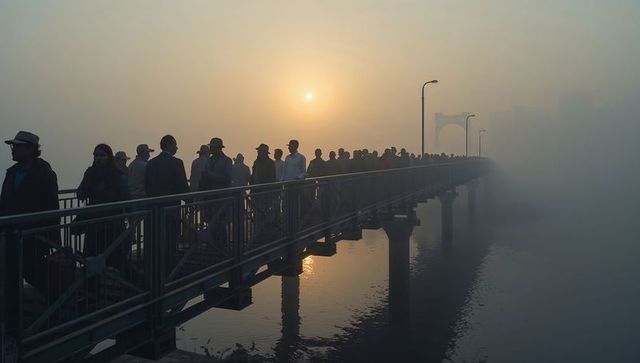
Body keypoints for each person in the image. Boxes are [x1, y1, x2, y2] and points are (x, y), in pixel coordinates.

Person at [1, 131, 59, 334]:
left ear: (31, 149)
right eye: (13, 146)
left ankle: (57, 311)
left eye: (17, 146)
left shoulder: (44, 174)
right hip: (10, 236)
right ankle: (13, 324)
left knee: (37, 276)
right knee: (10, 279)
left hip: (34, 236)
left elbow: (52, 208)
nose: (13, 149)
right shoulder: (11, 173)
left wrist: (51, 239)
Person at [77, 143, 130, 272]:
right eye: (96, 155)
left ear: (109, 157)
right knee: (92, 260)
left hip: (112, 224)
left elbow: (126, 196)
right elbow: (80, 194)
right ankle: (93, 289)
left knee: (117, 261)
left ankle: (140, 285)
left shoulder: (116, 175)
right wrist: (86, 184)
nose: (98, 158)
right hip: (94, 224)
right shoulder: (90, 173)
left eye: (102, 155)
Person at [145, 135, 190, 272]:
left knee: (157, 237)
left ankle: (155, 266)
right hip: (172, 207)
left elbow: (148, 186)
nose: (177, 147)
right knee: (171, 237)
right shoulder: (177, 162)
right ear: (169, 145)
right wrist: (191, 201)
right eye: (175, 144)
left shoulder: (151, 163)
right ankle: (169, 268)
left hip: (155, 207)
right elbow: (182, 185)